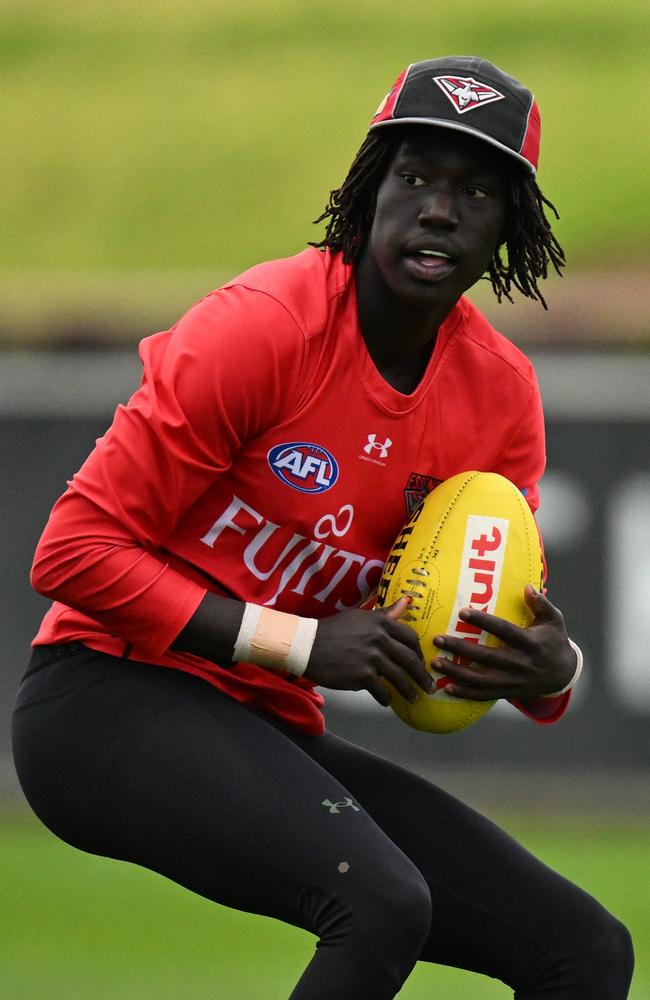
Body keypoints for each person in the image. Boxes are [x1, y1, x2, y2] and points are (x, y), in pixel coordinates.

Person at [12, 56, 633, 998]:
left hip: (262, 722)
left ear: (512, 227)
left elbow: (465, 654)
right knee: (382, 902)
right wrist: (298, 642)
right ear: (365, 192)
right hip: (102, 699)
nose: (438, 209)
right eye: (414, 176)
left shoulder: (500, 397)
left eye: (476, 191)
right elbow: (72, 552)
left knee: (585, 952)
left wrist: (556, 673)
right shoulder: (262, 328)